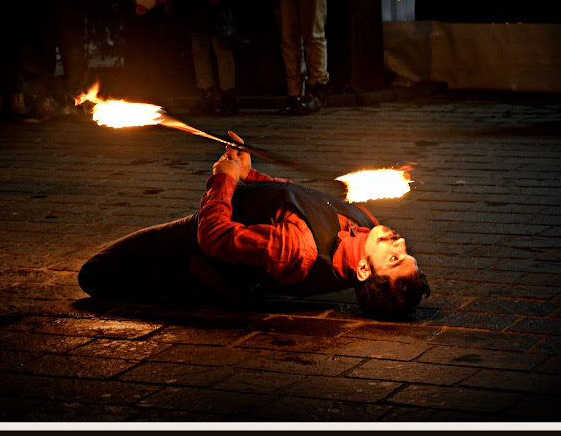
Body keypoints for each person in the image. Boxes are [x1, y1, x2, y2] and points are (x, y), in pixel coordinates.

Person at [78, 131, 430, 320]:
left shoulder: (300, 252)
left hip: (196, 248)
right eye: (406, 252)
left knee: (95, 275)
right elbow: (293, 197)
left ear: (365, 270)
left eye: (394, 259)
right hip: (227, 216)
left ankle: (182, 291)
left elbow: (212, 235)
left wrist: (224, 179)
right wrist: (250, 173)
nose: (399, 243)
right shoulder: (367, 223)